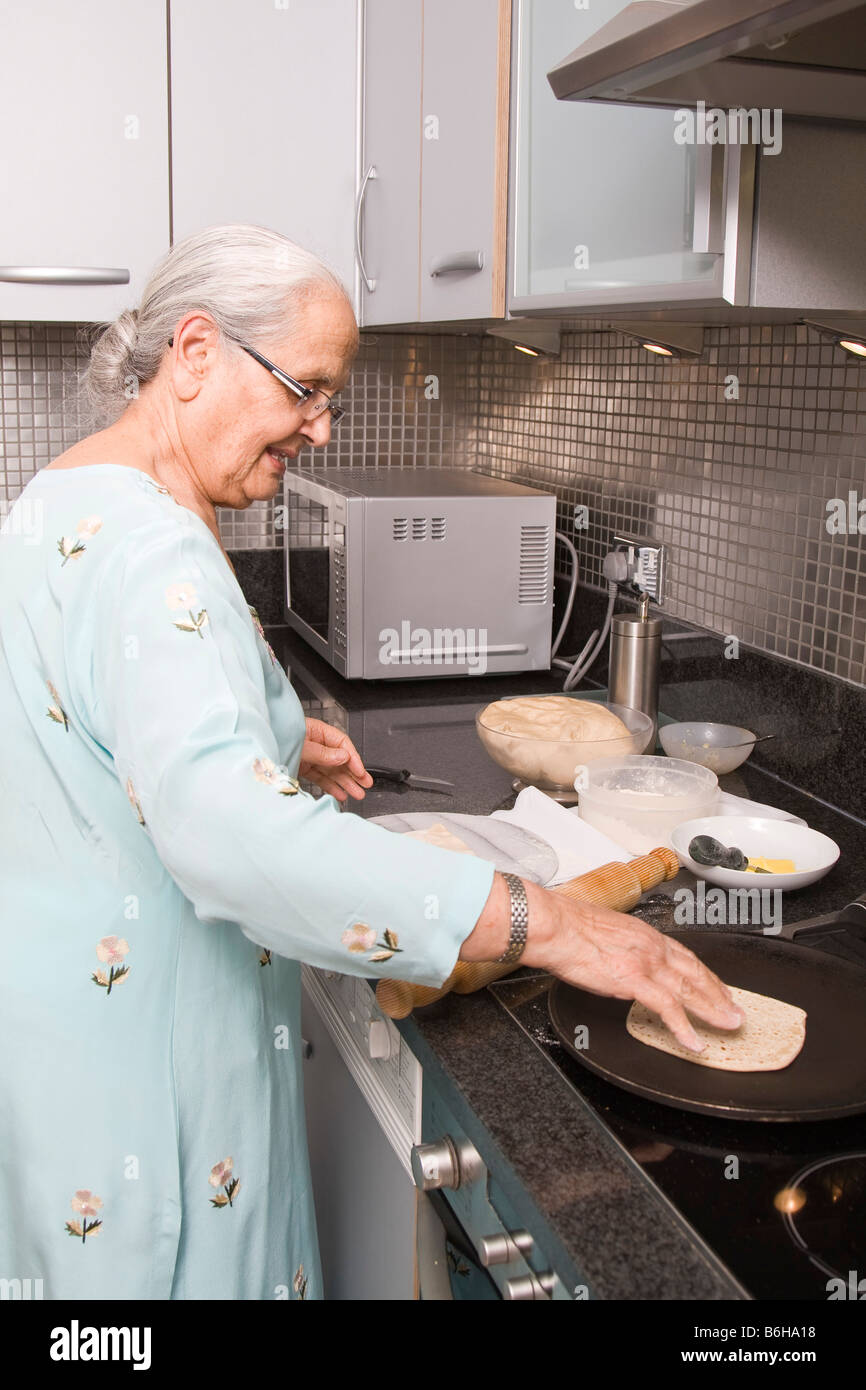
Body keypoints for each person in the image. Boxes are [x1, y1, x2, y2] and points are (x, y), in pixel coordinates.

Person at [0, 223, 743, 1301]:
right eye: (305, 388)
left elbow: (71, 715)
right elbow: (238, 843)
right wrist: (554, 920)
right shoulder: (158, 545)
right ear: (195, 352)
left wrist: (263, 732)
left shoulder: (57, 499)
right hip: (159, 1107)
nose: (320, 426)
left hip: (65, 1064)